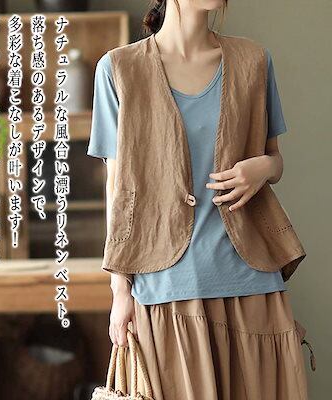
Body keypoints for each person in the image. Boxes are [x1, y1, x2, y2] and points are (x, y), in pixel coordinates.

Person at [87, 1, 309, 398]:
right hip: (168, 286)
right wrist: (120, 291)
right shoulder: (119, 69)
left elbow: (275, 160)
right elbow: (118, 189)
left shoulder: (254, 61)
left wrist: (261, 168)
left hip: (252, 282)